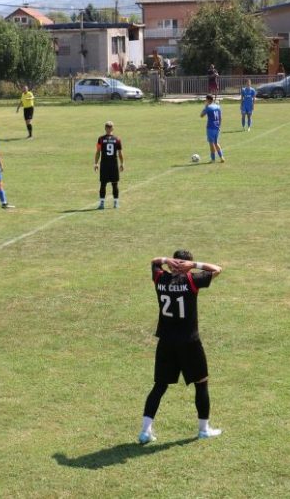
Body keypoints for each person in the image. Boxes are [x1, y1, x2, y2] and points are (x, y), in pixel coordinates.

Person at [138, 251, 224, 444]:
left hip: (166, 342)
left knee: (160, 386)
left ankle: (145, 431)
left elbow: (154, 261)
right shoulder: (191, 280)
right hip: (189, 342)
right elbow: (217, 269)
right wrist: (194, 265)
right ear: (187, 265)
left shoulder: (160, 278)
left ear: (171, 264)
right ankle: (204, 430)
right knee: (201, 383)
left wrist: (165, 260)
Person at [94, 121, 124, 210]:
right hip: (113, 164)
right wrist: (122, 163)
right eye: (109, 127)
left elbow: (98, 152)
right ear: (112, 128)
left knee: (104, 184)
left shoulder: (101, 139)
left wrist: (96, 163)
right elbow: (120, 153)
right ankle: (115, 203)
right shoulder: (117, 139)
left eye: (109, 127)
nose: (109, 128)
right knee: (114, 184)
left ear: (105, 128)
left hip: (105, 165)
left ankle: (102, 204)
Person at [200, 94, 224, 163]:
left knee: (211, 143)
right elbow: (220, 117)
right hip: (217, 127)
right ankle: (221, 157)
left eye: (206, 100)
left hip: (210, 127)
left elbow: (201, 115)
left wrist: (205, 107)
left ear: (208, 100)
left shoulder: (208, 107)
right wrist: (219, 126)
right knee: (216, 143)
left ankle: (213, 159)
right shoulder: (218, 106)